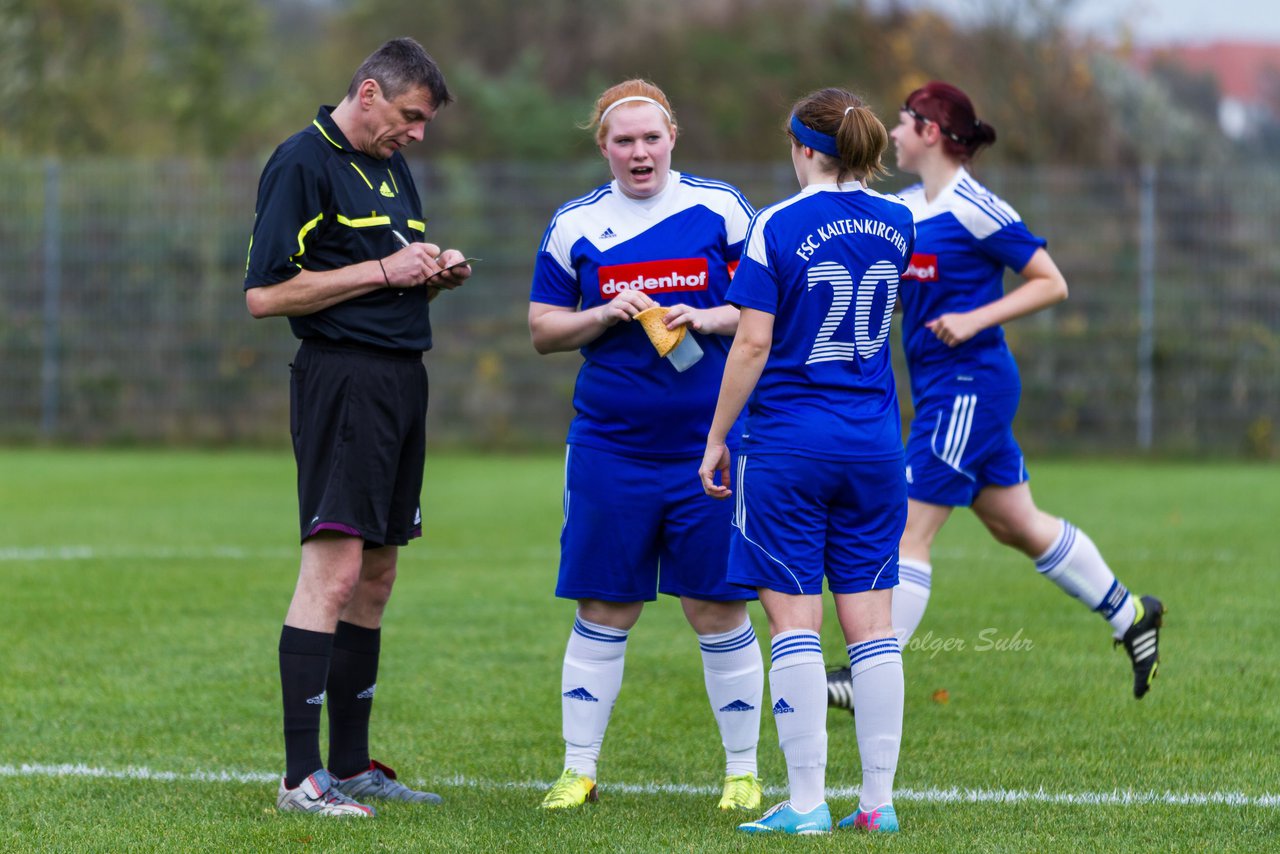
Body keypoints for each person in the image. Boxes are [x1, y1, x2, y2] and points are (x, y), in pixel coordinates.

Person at [827, 81, 1163, 710]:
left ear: (929, 132)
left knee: (906, 530)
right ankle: (1132, 613)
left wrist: (977, 319)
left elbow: (1050, 281)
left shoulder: (976, 207)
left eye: (901, 123)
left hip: (968, 388)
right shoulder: (905, 208)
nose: (893, 134)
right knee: (1019, 525)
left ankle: (867, 673)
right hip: (939, 390)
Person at [244, 37, 473, 817]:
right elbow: (266, 296)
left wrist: (429, 275)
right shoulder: (302, 162)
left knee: (377, 576)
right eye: (410, 117)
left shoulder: (390, 164)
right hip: (341, 382)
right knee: (333, 573)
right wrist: (384, 271)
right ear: (369, 92)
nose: (416, 134)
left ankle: (349, 765)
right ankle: (298, 778)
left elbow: (385, 272)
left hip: (401, 381)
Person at [528, 79, 765, 813]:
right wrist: (600, 313)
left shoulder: (721, 208)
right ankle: (579, 771)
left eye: (651, 137)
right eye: (623, 140)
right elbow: (542, 328)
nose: (639, 152)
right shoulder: (575, 225)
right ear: (603, 146)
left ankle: (742, 772)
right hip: (609, 445)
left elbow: (763, 308)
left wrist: (709, 316)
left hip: (710, 443)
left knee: (717, 607)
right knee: (605, 606)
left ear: (673, 137)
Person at [699, 87, 913, 836]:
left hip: (790, 445)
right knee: (874, 627)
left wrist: (717, 434)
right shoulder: (899, 220)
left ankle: (804, 804)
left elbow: (753, 342)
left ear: (806, 150)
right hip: (876, 446)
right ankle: (878, 805)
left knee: (794, 622)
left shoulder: (776, 223)